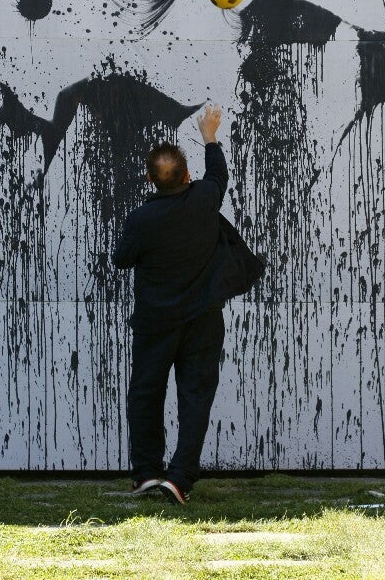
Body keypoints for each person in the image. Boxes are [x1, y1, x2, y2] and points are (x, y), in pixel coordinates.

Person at [113, 104, 263, 505]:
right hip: (202, 320)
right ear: (187, 175)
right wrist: (209, 133)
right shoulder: (204, 198)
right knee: (195, 396)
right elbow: (219, 175)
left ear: (150, 179)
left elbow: (121, 259)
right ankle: (179, 479)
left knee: (146, 394)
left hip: (155, 322)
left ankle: (146, 474)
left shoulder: (141, 219)